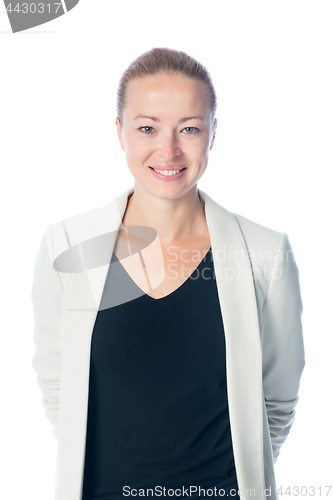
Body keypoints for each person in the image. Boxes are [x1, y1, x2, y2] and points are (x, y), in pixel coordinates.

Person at [31, 47, 305, 500]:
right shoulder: (67, 245)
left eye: (190, 128)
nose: (169, 149)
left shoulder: (264, 253)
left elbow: (276, 404)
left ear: (213, 134)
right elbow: (58, 387)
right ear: (120, 133)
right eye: (147, 128)